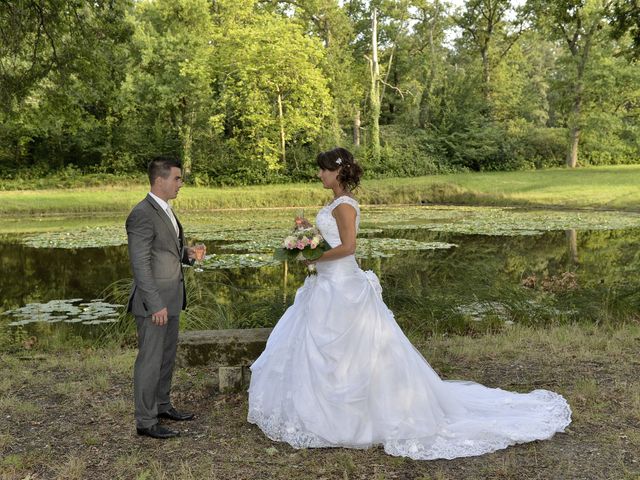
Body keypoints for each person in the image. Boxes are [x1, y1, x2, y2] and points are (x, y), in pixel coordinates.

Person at [247, 147, 571, 460]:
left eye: (322, 169)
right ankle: (318, 411)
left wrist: (312, 255)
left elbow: (348, 247)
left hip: (342, 285)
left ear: (337, 172)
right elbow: (331, 241)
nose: (318, 174)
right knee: (320, 349)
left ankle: (361, 418)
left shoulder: (345, 205)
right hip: (325, 284)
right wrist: (307, 235)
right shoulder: (334, 203)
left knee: (353, 352)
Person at [126, 156, 198, 439]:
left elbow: (166, 250)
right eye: (177, 178)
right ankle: (145, 421)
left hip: (172, 298)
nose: (181, 184)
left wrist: (188, 255)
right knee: (150, 360)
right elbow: (140, 263)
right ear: (160, 180)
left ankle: (162, 405)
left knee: (166, 357)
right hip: (153, 303)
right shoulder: (141, 213)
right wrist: (155, 303)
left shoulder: (165, 210)